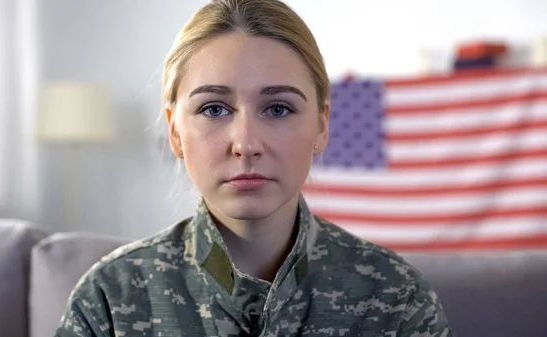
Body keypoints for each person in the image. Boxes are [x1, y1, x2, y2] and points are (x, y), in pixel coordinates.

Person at [54, 0, 453, 336]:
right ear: (175, 131)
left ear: (321, 125)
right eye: (214, 109)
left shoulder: (396, 300)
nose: (246, 144)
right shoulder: (109, 300)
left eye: (278, 108)